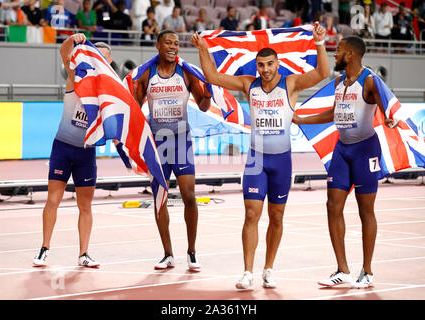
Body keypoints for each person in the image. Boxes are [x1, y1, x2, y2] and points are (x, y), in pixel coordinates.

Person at [191, 23, 329, 289]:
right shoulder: (247, 84)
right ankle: (247, 271)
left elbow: (323, 72)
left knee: (276, 218)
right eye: (261, 65)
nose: (265, 69)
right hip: (256, 161)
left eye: (269, 64)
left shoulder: (291, 84)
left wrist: (319, 43)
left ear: (277, 64)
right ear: (256, 66)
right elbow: (212, 76)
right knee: (251, 214)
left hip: (282, 162)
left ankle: (268, 268)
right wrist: (203, 49)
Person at [292, 36, 396, 288]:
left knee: (365, 210)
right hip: (342, 149)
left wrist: (390, 117)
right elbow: (334, 113)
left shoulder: (369, 79)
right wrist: (301, 119)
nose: (334, 55)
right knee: (332, 205)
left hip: (365, 150)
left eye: (337, 51)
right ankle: (342, 269)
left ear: (350, 54)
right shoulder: (340, 82)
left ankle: (367, 271)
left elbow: (386, 105)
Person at [132, 30, 212, 271]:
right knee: (160, 199)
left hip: (181, 141)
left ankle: (191, 252)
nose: (173, 47)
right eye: (168, 42)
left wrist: (207, 92)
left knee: (189, 195)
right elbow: (134, 107)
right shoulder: (146, 73)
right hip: (157, 144)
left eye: (177, 44)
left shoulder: (186, 72)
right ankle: (168, 254)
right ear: (158, 45)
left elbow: (204, 106)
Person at [33, 34, 114, 268]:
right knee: (53, 200)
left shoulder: (109, 94)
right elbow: (62, 52)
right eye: (96, 57)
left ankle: (84, 254)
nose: (100, 62)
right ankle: (44, 249)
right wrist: (72, 39)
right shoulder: (74, 78)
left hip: (86, 153)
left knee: (85, 206)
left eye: (104, 59)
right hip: (63, 147)